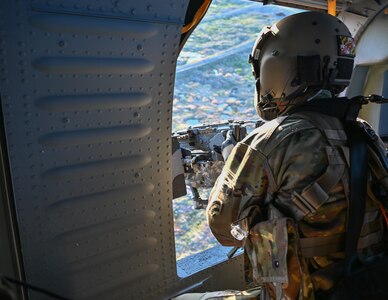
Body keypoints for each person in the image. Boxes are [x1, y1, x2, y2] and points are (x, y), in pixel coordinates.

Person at [173, 11, 388, 300]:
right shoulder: (364, 131)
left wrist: (232, 162)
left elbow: (224, 231)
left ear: (277, 67)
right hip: (367, 285)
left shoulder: (269, 141)